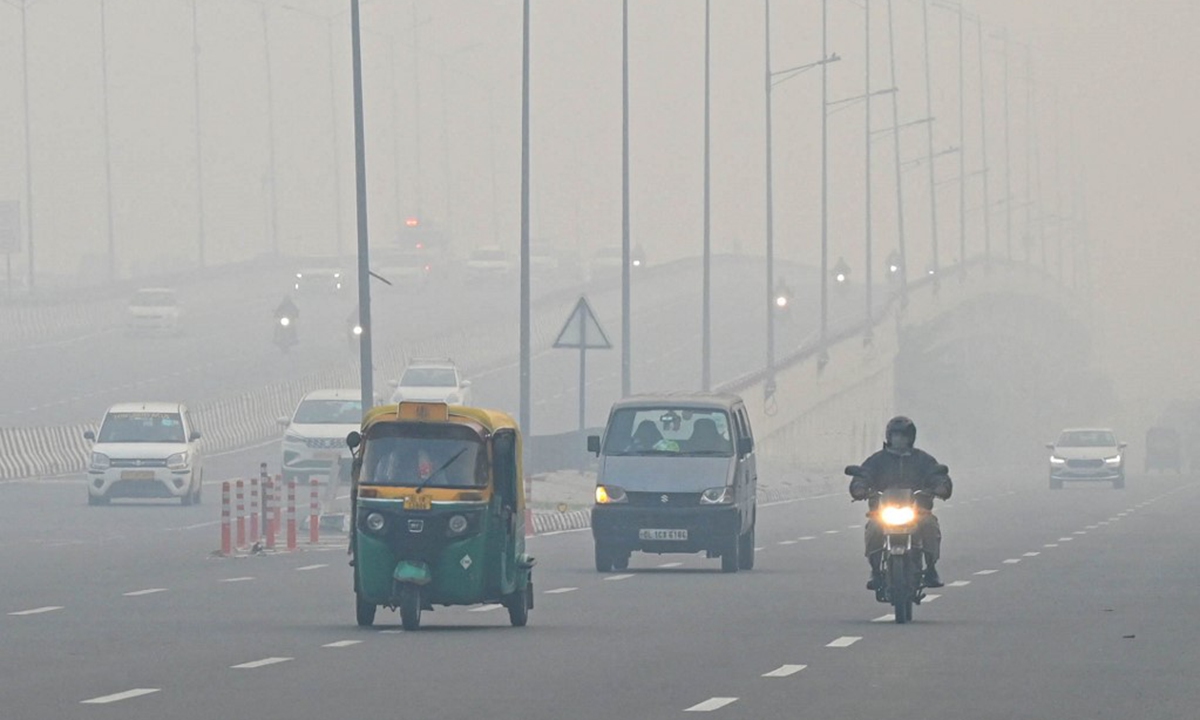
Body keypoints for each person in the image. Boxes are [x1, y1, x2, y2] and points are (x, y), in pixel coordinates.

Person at [850, 416, 952, 589]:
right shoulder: (877, 460)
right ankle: (875, 570)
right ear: (889, 436)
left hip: (918, 512)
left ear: (911, 437)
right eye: (896, 435)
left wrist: (941, 487)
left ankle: (931, 569)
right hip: (883, 511)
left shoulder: (923, 459)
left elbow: (937, 475)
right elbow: (863, 475)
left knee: (930, 526)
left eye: (903, 436)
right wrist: (859, 488)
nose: (899, 439)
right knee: (873, 528)